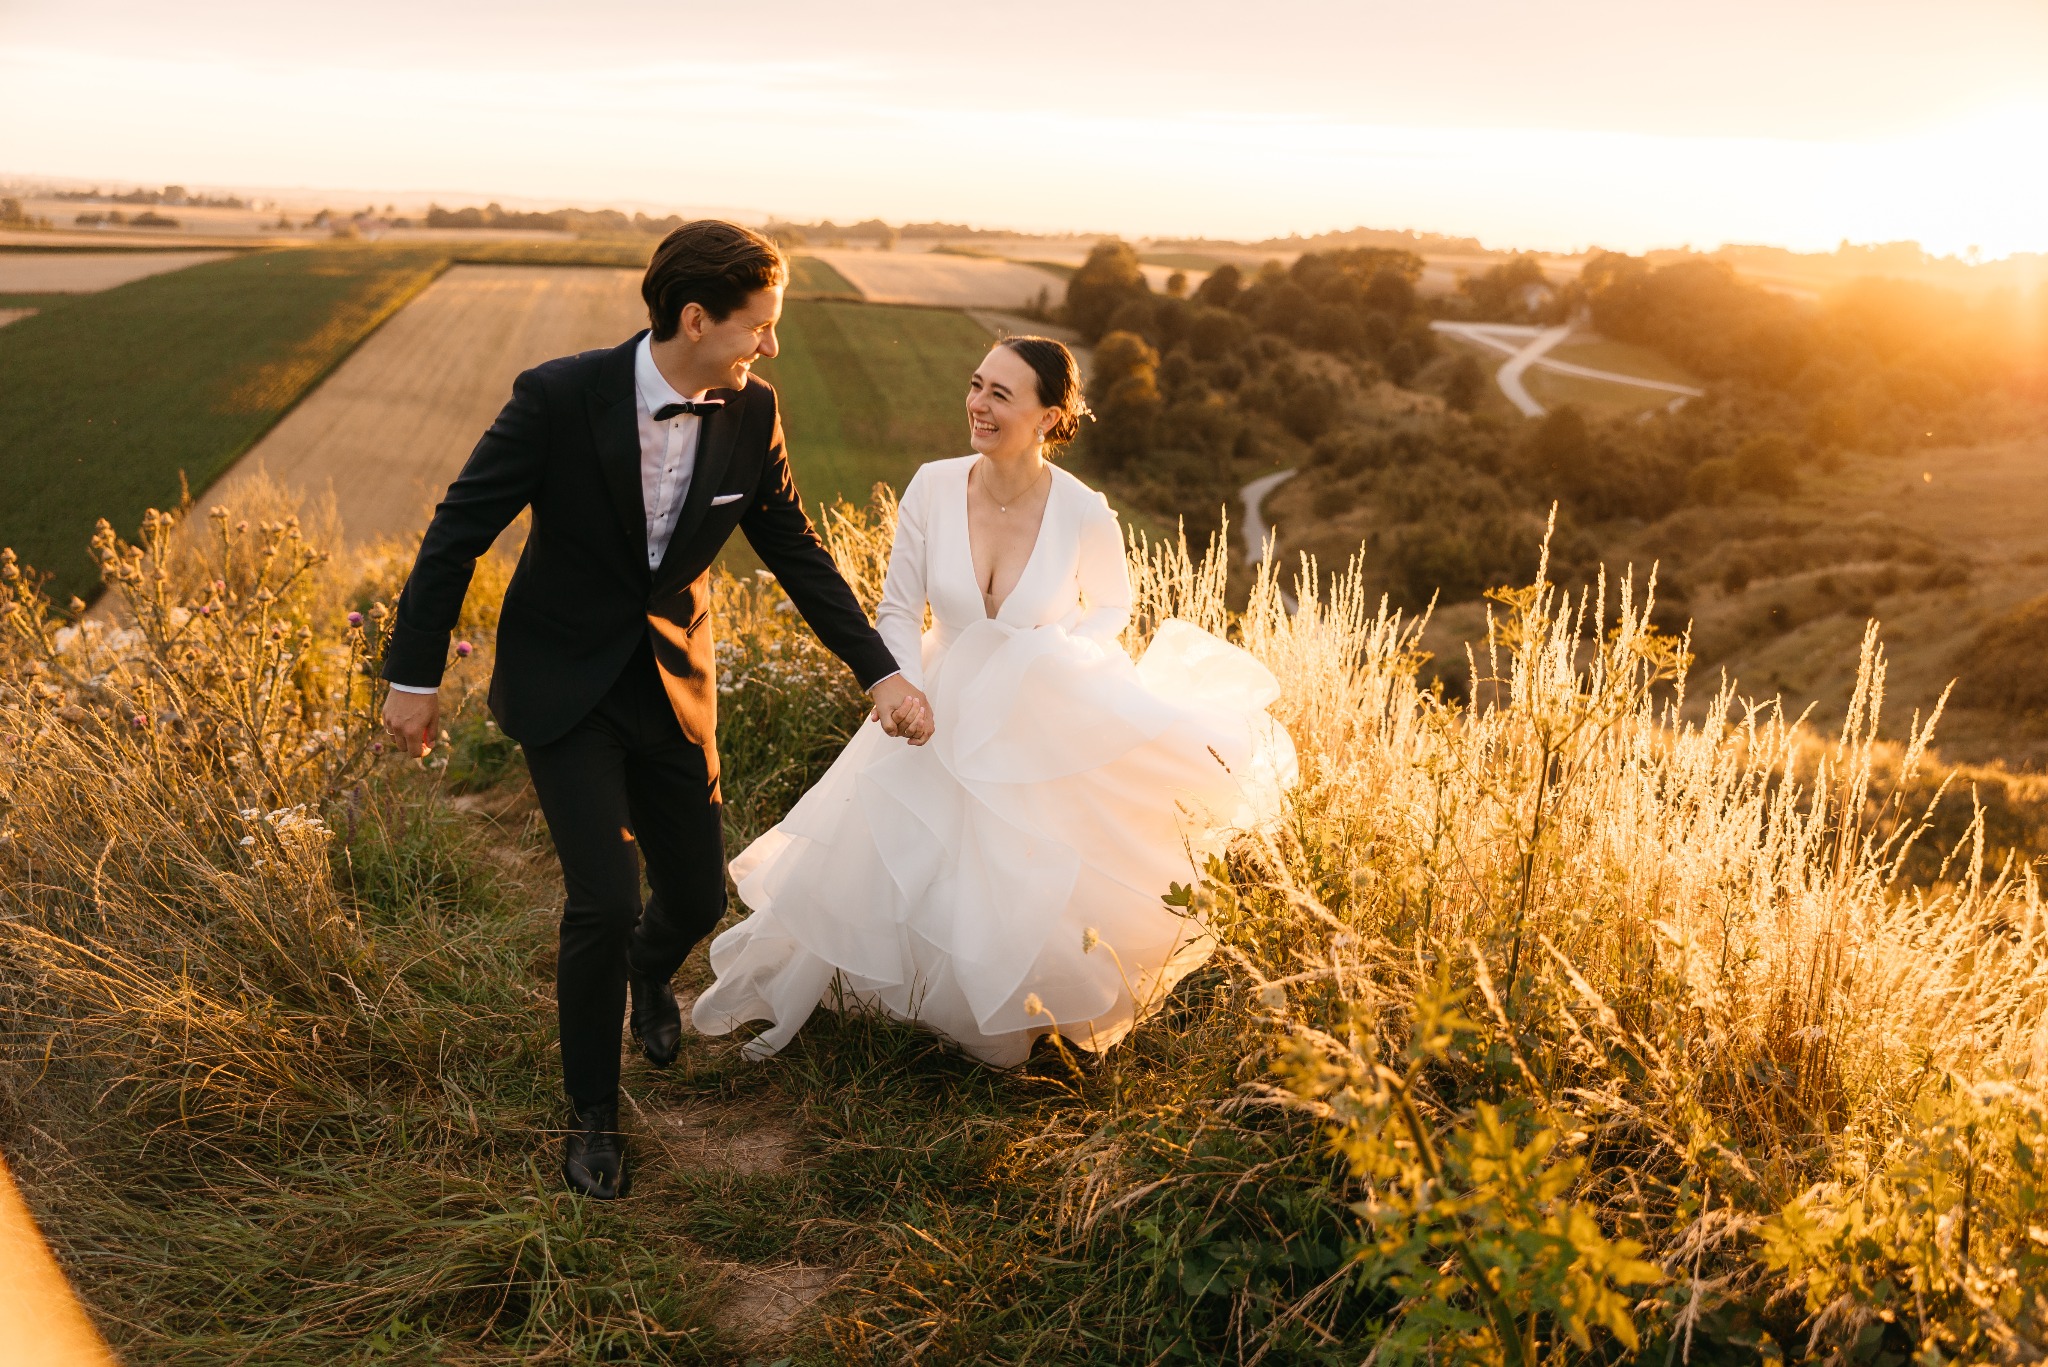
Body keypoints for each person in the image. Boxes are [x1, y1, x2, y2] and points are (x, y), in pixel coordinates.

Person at [379, 221, 933, 1200]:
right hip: (565, 684)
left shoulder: (752, 412)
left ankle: (647, 973)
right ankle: (590, 1110)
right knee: (602, 895)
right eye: (758, 325)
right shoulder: (556, 397)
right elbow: (457, 531)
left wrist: (878, 671)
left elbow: (794, 547)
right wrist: (414, 677)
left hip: (674, 681)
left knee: (694, 896)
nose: (770, 345)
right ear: (695, 318)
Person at [692, 336, 1296, 1065]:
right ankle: (905, 1002)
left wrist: (1058, 654)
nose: (978, 404)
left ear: (1051, 415)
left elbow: (1112, 604)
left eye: (1000, 394)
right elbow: (895, 606)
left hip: (1036, 704)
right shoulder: (932, 486)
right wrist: (901, 686)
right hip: (935, 698)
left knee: (1020, 864)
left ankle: (1014, 1013)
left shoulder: (1084, 511)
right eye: (976, 384)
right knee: (912, 849)